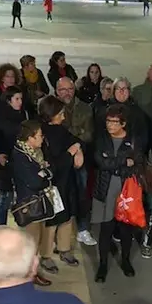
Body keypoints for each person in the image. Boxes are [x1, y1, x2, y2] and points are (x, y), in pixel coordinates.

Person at [92, 104, 145, 282]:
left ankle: (125, 260)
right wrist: (123, 161)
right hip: (105, 189)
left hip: (125, 191)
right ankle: (103, 264)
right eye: (108, 121)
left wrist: (115, 164)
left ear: (123, 123)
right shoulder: (101, 139)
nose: (110, 125)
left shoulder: (134, 140)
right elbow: (101, 162)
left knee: (125, 230)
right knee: (105, 229)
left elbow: (137, 164)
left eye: (114, 122)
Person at [39, 96, 84, 269]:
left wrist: (78, 150)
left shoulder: (61, 130)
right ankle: (46, 255)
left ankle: (64, 249)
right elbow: (52, 164)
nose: (64, 117)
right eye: (61, 114)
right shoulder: (41, 135)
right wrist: (70, 153)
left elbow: (76, 140)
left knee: (67, 217)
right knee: (51, 220)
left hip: (66, 182)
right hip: (52, 184)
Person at [11, 120, 56, 287]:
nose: (42, 138)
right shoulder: (21, 156)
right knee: (31, 242)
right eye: (39, 136)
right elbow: (35, 181)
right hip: (30, 203)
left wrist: (44, 173)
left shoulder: (33, 152)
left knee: (34, 241)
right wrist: (45, 174)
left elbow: (42, 173)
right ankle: (29, 274)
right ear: (30, 138)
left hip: (36, 200)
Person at [57, 77, 97, 246]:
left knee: (82, 194)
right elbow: (52, 132)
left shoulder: (85, 108)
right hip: (59, 159)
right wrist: (76, 132)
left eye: (70, 89)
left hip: (81, 159)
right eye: (63, 90)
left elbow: (88, 135)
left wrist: (68, 136)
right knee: (60, 194)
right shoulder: (52, 107)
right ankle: (58, 231)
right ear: (56, 91)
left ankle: (83, 229)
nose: (67, 93)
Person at [0, 86, 27, 226]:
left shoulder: (22, 115)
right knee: (5, 197)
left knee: (23, 197)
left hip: (21, 161)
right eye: (17, 99)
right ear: (8, 101)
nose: (20, 102)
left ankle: (22, 225)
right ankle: (1, 228)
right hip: (6, 163)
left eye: (21, 98)